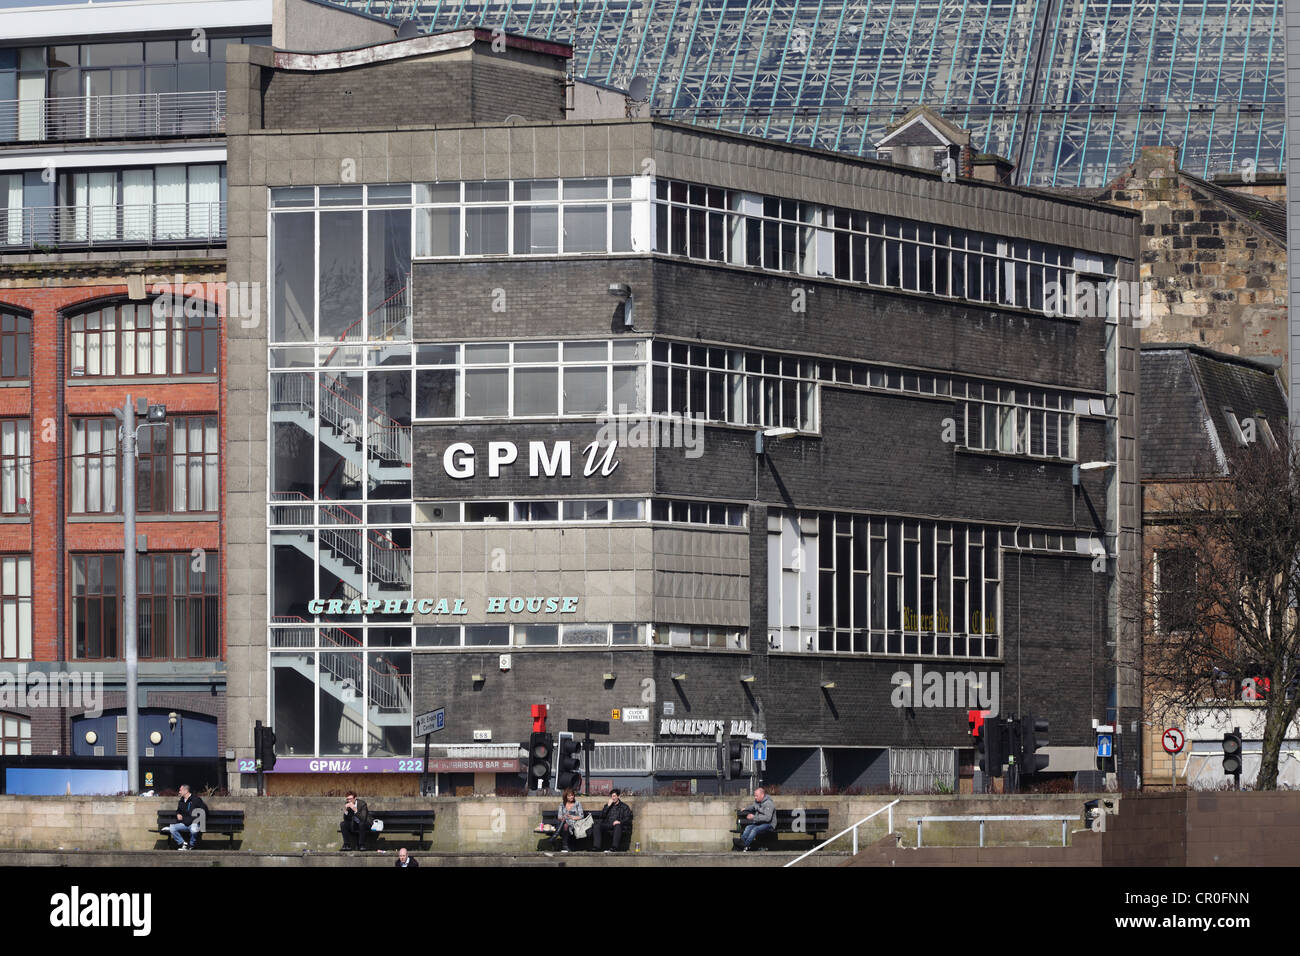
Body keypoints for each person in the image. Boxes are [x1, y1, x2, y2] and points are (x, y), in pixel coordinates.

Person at [165, 784, 207, 851]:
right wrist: (178, 814)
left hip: (194, 823)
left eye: (180, 790)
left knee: (194, 829)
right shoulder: (181, 801)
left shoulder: (196, 799)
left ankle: (191, 845)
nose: (179, 792)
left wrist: (196, 820)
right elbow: (178, 810)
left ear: (186, 791)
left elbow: (204, 811)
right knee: (172, 828)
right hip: (184, 824)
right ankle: (183, 843)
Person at [738, 787, 776, 851]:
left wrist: (754, 817)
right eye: (754, 796)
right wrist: (746, 808)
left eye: (756, 796)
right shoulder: (757, 802)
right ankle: (741, 842)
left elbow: (767, 818)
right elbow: (753, 807)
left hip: (769, 824)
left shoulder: (769, 803)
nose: (755, 797)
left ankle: (745, 845)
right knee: (748, 827)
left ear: (762, 795)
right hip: (760, 823)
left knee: (755, 829)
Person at [556, 788, 585, 852]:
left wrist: (572, 817)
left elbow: (581, 816)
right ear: (566, 796)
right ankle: (565, 846)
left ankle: (564, 846)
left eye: (572, 795)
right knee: (565, 825)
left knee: (566, 826)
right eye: (569, 796)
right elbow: (559, 816)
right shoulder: (562, 804)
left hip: (574, 823)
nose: (571, 797)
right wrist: (564, 817)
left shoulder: (577, 804)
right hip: (564, 822)